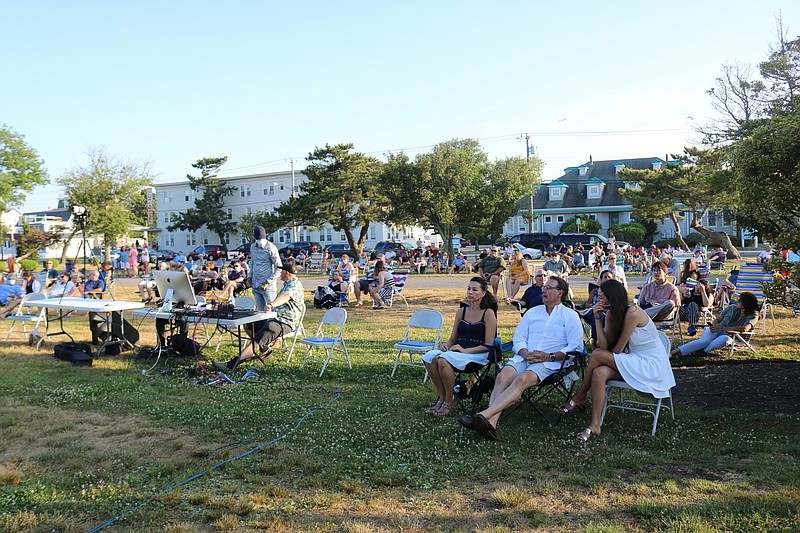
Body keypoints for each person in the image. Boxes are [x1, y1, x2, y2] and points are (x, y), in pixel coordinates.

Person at [459, 276, 584, 440]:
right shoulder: (533, 312)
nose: (543, 290)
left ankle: (484, 415)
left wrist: (549, 356)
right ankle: (491, 423)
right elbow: (518, 338)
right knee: (502, 377)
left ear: (560, 292)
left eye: (548, 288)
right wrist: (524, 352)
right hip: (524, 357)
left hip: (550, 362)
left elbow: (575, 346)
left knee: (522, 379)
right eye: (543, 287)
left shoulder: (570, 315)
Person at [556, 279, 675, 442]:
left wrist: (605, 351)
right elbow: (604, 345)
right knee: (598, 372)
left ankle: (580, 396)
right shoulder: (611, 313)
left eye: (602, 296)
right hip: (632, 359)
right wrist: (598, 318)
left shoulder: (632, 312)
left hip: (651, 364)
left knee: (597, 355)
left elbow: (616, 350)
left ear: (612, 297)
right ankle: (595, 425)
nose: (598, 298)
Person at [421, 277, 498, 417]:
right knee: (429, 357)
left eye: (474, 290)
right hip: (457, 351)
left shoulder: (488, 313)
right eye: (469, 289)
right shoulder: (461, 312)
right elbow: (452, 339)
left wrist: (465, 350)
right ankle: (443, 397)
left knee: (443, 361)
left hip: (477, 354)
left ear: (483, 293)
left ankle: (449, 402)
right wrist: (446, 345)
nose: (470, 292)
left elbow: (488, 345)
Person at [212, 262, 305, 372]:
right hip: (274, 318)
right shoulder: (288, 284)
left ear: (287, 273)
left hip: (285, 322)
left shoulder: (295, 285)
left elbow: (285, 297)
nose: (279, 273)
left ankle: (231, 365)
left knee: (261, 336)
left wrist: (271, 305)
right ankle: (263, 348)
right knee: (249, 325)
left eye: (281, 271)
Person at [671, 292, 759, 357]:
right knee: (705, 341)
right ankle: (675, 352)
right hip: (716, 330)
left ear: (745, 305)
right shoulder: (732, 308)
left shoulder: (753, 315)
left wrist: (723, 328)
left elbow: (745, 328)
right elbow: (718, 319)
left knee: (725, 339)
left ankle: (701, 351)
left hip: (731, 336)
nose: (737, 301)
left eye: (739, 301)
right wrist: (713, 325)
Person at [250, 226, 282, 310]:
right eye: (257, 239)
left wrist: (267, 282)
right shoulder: (252, 247)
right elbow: (253, 263)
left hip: (268, 286)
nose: (259, 242)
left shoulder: (271, 247)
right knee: (260, 313)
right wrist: (250, 277)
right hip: (255, 284)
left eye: (261, 239)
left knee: (271, 311)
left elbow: (279, 268)